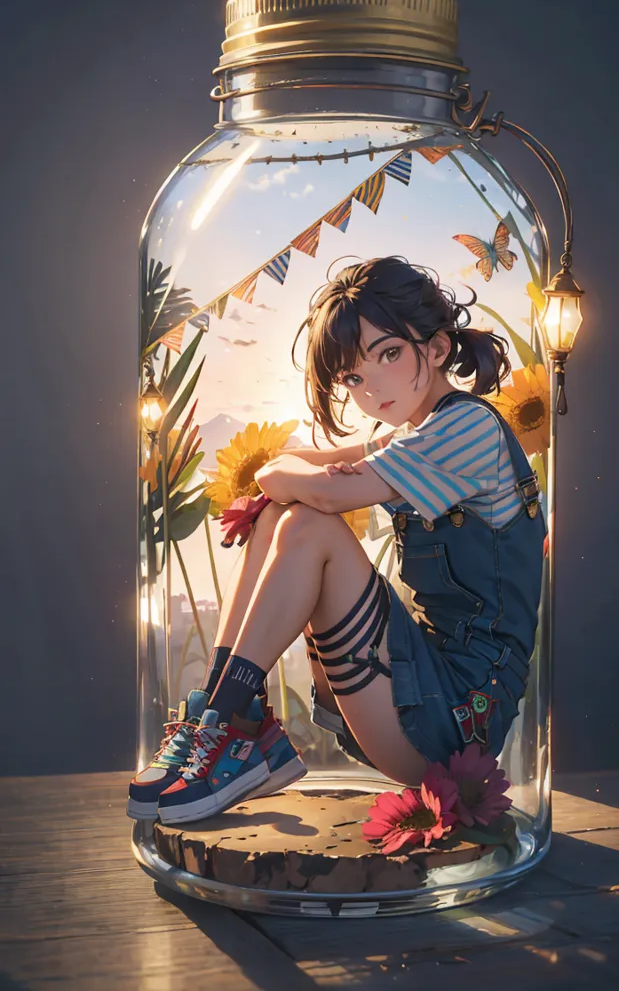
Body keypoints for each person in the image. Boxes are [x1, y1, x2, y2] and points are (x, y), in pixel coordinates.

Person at [127, 255, 547, 825]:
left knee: (307, 523)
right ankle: (228, 721)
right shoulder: (411, 436)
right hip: (413, 690)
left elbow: (313, 489)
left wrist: (289, 481)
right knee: (281, 515)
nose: (371, 386)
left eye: (390, 354)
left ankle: (228, 728)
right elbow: (290, 468)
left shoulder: (465, 428)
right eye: (352, 376)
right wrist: (286, 481)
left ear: (439, 348)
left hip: (456, 718)